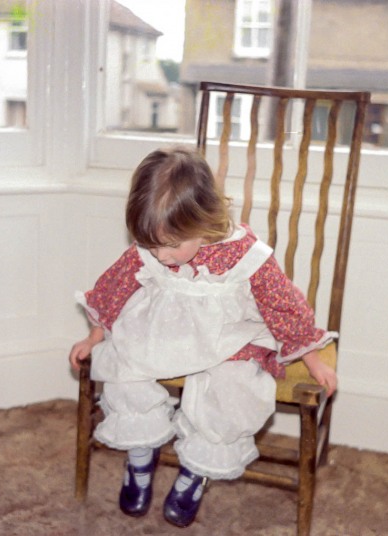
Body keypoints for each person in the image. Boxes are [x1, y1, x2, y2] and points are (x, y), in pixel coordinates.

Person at [69, 145, 338, 527]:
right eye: (151, 245)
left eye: (171, 245)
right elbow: (116, 285)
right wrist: (96, 334)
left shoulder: (245, 255)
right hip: (160, 330)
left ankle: (197, 469)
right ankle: (140, 457)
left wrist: (310, 353)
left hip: (225, 338)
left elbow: (282, 302)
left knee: (231, 390)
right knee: (123, 366)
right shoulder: (154, 245)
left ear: (203, 219)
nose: (160, 256)